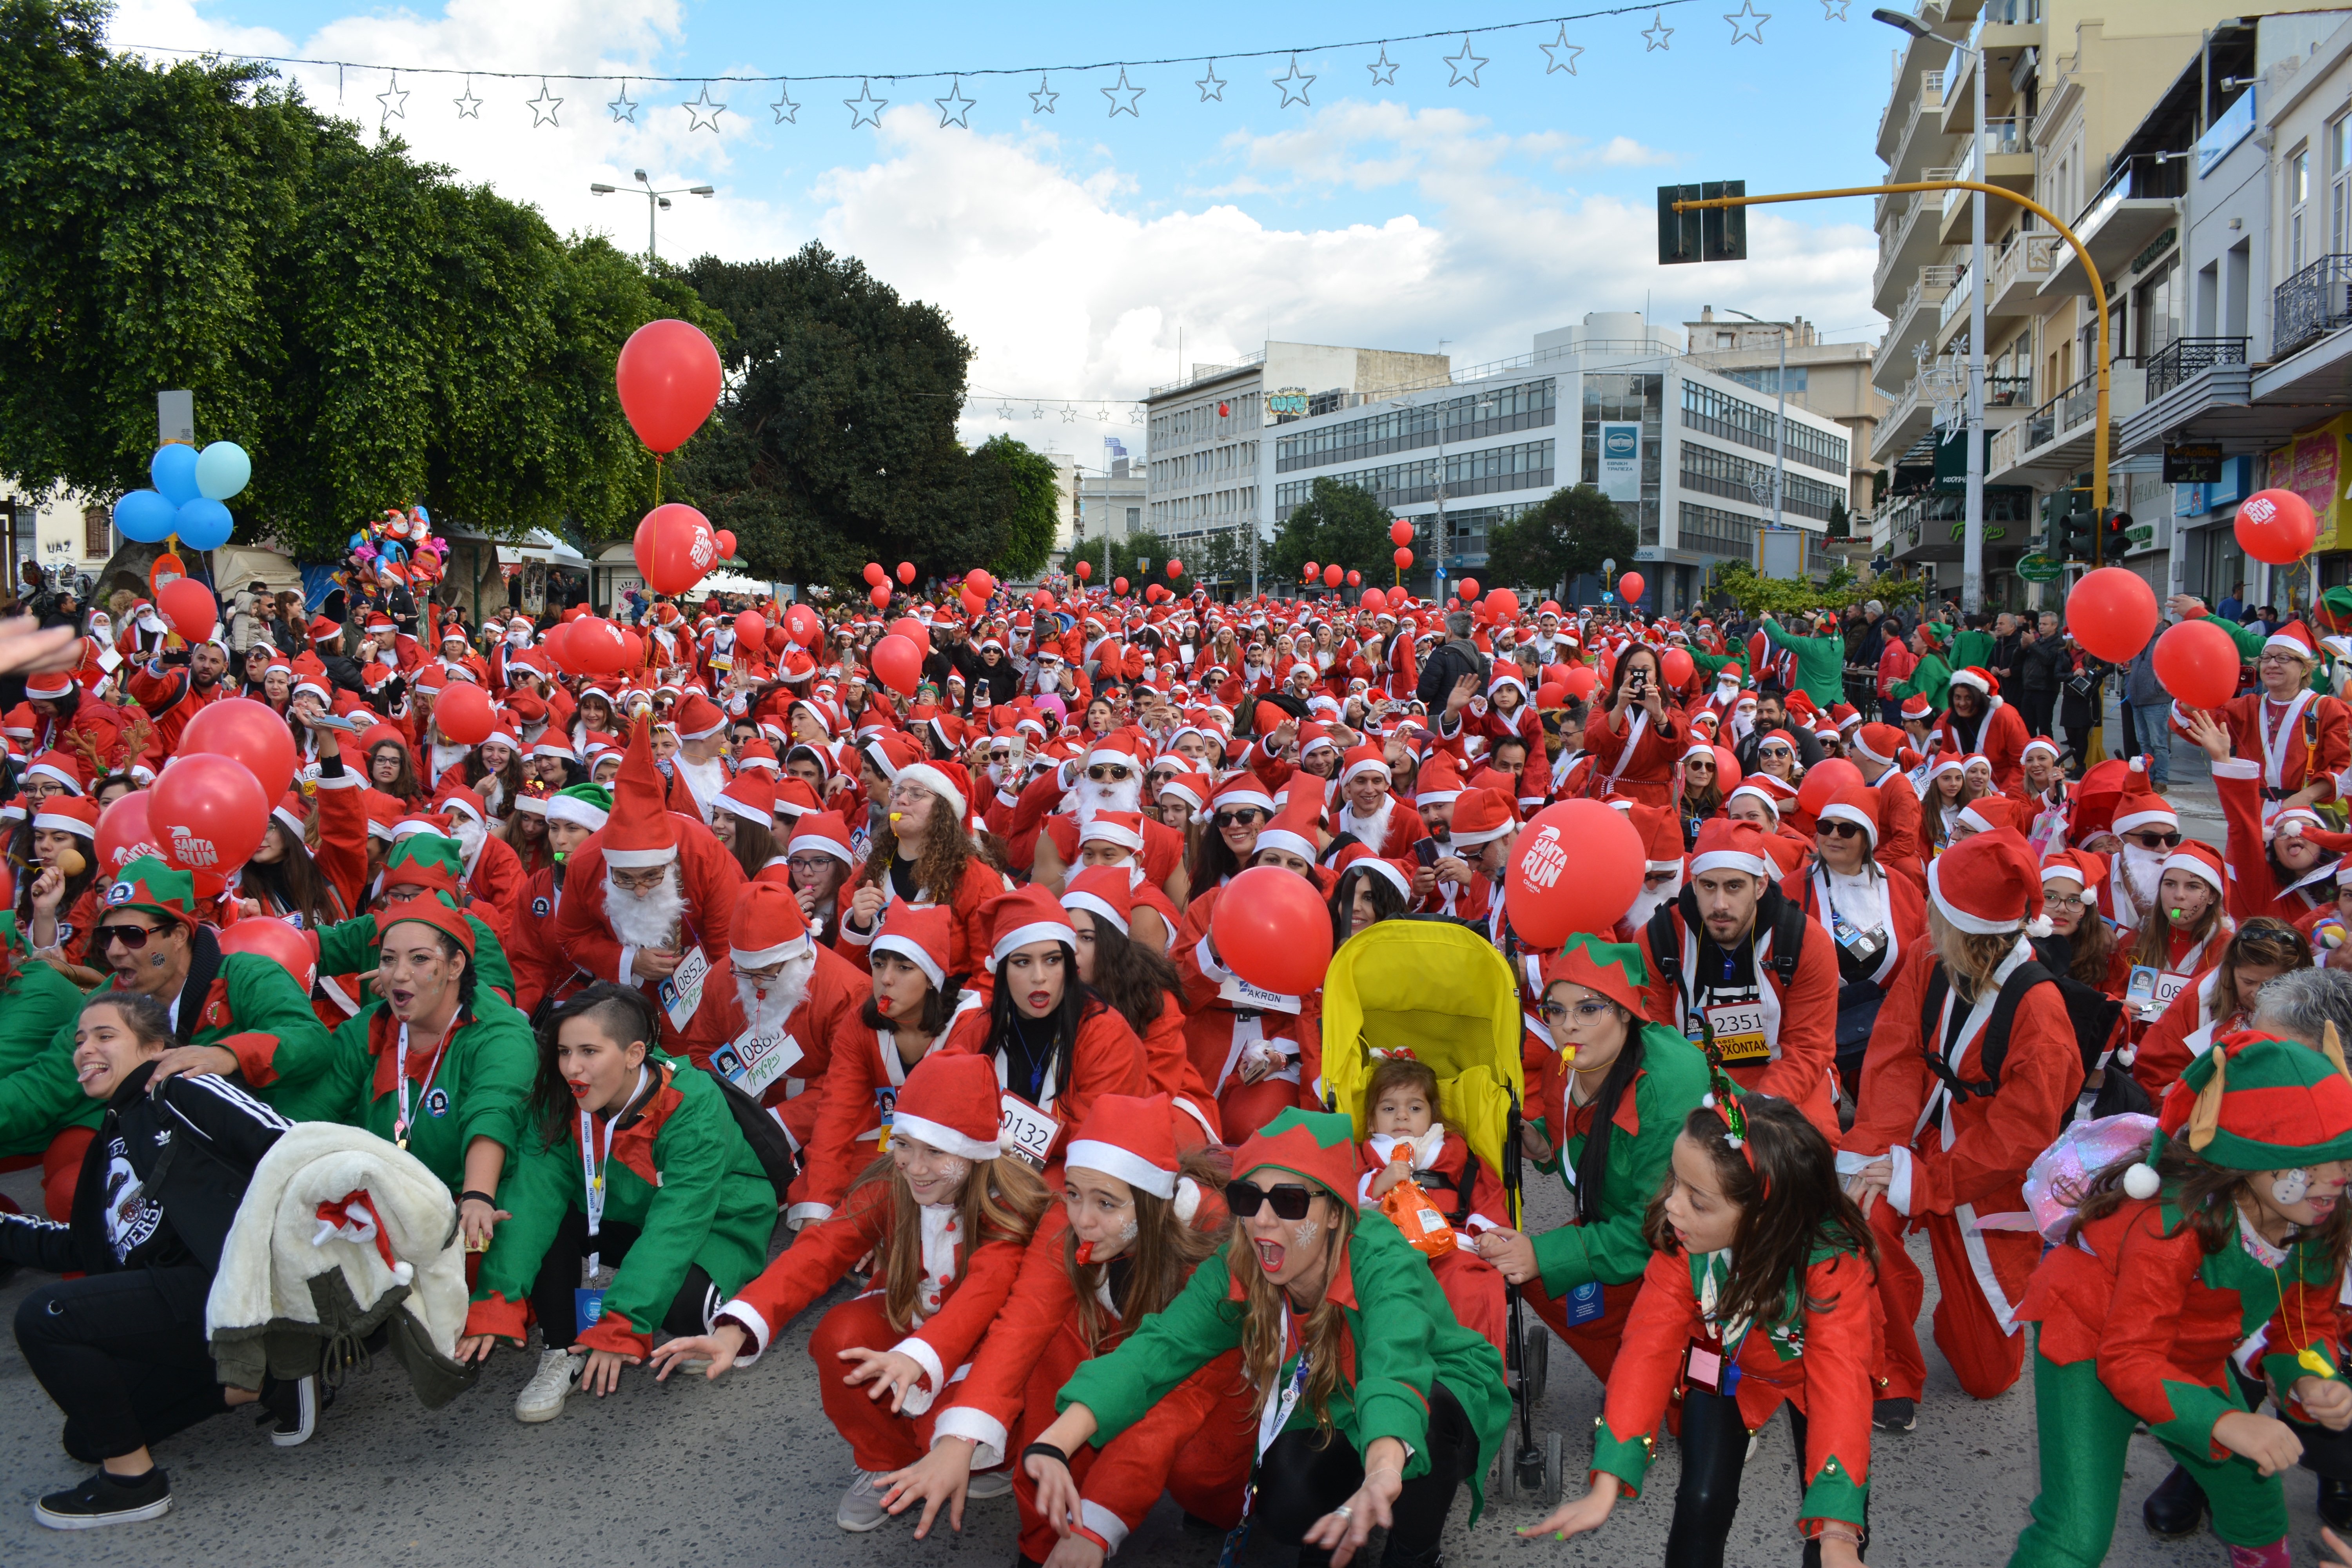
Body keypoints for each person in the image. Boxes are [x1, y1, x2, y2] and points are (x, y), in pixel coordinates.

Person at [1029, 1107, 1509, 1568]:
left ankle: (1414, 1552)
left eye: (1289, 1201)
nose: (1261, 1219)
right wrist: (1055, 1442)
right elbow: (1159, 1349)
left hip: (1434, 1384)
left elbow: (1396, 1361)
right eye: (1247, 1198)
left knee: (1427, 1419)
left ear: (1336, 1214)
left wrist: (1384, 1472)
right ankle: (1335, 1534)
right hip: (1329, 1402)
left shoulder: (1380, 1253)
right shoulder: (1238, 1264)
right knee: (1284, 1500)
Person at [649, 1053, 1050, 1530]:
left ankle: (989, 1452)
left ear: (976, 1151)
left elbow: (982, 1299)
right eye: (904, 1144)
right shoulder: (893, 1182)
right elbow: (821, 1250)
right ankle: (884, 1460)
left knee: (946, 1432)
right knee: (840, 1339)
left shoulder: (1008, 1209)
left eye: (937, 1152)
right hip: (915, 1318)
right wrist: (735, 1330)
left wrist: (917, 1360)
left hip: (985, 1343)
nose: (915, 1167)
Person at [2007, 1031, 2352, 1567]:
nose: (2335, 1179)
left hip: (2182, 1354)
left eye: (2347, 1160)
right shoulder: (2170, 1226)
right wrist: (2221, 1421)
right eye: (2311, 1163)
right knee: (2074, 1534)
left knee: (2255, 1498)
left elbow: (2304, 1328)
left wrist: (2315, 1379)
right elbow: (2127, 1357)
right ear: (2248, 1160)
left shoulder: (2319, 1224)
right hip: (2090, 1348)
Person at [870, 1094, 1249, 1557]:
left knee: (1199, 1468)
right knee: (1050, 1343)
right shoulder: (1068, 1219)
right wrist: (960, 1439)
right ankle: (1046, 1538)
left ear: (1154, 1202)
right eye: (1073, 1194)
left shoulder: (1214, 1235)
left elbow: (1176, 1392)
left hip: (1206, 1384)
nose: (1083, 1220)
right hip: (1126, 1357)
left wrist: (1099, 1521)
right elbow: (1023, 1323)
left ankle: (1236, 1503)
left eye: (1107, 1204)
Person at [1518, 1093, 1876, 1568]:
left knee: (1836, 1517)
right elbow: (1647, 1349)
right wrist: (1607, 1480)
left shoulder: (1831, 1265)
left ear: (1765, 1217)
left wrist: (1838, 1533)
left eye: (1697, 1201)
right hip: (1724, 1361)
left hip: (1812, 1374)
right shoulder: (1683, 1246)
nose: (1671, 1207)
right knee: (1700, 1499)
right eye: (1675, 1182)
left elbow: (1841, 1387)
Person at [2, 992, 311, 1529]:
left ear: (155, 1048)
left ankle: (134, 1485)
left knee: (44, 1316)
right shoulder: (108, 1143)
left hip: (225, 1282)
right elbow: (82, 1247)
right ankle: (269, 1378)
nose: (85, 1050)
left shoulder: (178, 1090)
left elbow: (289, 1147)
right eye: (79, 1041)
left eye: (104, 1036)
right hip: (172, 1301)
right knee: (86, 1433)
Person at [1841, 828, 2084, 1431]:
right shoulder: (1930, 955)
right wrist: (1884, 1155)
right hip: (1922, 1133)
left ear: (1963, 927)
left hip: (1988, 1173)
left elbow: (2018, 1137)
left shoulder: (2041, 1011)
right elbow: (1894, 1058)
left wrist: (1927, 1181)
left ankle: (1960, 1313)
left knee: (1987, 1377)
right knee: (1864, 1214)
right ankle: (1890, 1364)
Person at [458, 982, 776, 1423]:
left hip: (716, 1218)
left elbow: (677, 1222)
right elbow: (532, 1198)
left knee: (682, 1308)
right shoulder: (559, 1097)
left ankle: (715, 1301)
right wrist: (498, 1295)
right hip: (619, 1210)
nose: (573, 1068)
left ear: (634, 1054)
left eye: (589, 1051)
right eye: (564, 1051)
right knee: (553, 1219)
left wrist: (623, 1319)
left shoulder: (691, 1103)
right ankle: (561, 1349)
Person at [1476, 935, 1711, 1387]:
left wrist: (1540, 1251)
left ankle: (1700, 1390)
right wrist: (1543, 1144)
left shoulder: (1666, 1089)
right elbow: (1576, 1131)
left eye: (1588, 1009)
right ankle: (1639, 1377)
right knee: (1536, 1277)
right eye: (1556, 1011)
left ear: (1625, 1011)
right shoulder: (1567, 1064)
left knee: (1540, 1265)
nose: (1568, 1026)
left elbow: (1660, 1227)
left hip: (1701, 1240)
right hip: (1626, 1222)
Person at [1637, 819, 1842, 1140]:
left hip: (1784, 1074)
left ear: (1760, 885)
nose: (1720, 905)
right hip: (1688, 1077)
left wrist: (1757, 1109)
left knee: (1803, 1148)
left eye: (1734, 886)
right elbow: (1656, 1040)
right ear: (1693, 883)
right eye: (1708, 886)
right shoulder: (1658, 938)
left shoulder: (1805, 940)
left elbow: (1808, 1047)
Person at [942, 885, 1151, 1167]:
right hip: (992, 1172)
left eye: (1052, 960)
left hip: (1080, 1180)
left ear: (1069, 966)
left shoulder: (1107, 1035)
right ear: (1002, 972)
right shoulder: (981, 1030)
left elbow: (1098, 1142)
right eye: (1022, 962)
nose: (1039, 977)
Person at [1785, 786, 1927, 1104]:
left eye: (1846, 829)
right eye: (1825, 827)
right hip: (1815, 1034)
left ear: (1867, 839)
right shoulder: (1793, 888)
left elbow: (1922, 956)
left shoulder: (1901, 888)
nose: (1833, 836)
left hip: (1889, 1032)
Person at [1584, 644, 1684, 809]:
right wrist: (1620, 708)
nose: (1640, 676)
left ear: (1657, 674)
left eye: (1646, 670)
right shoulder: (1605, 709)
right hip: (1609, 798)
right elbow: (1592, 742)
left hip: (1654, 804)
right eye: (1632, 670)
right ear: (1621, 674)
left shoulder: (1672, 711)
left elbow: (1679, 750)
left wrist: (1659, 715)